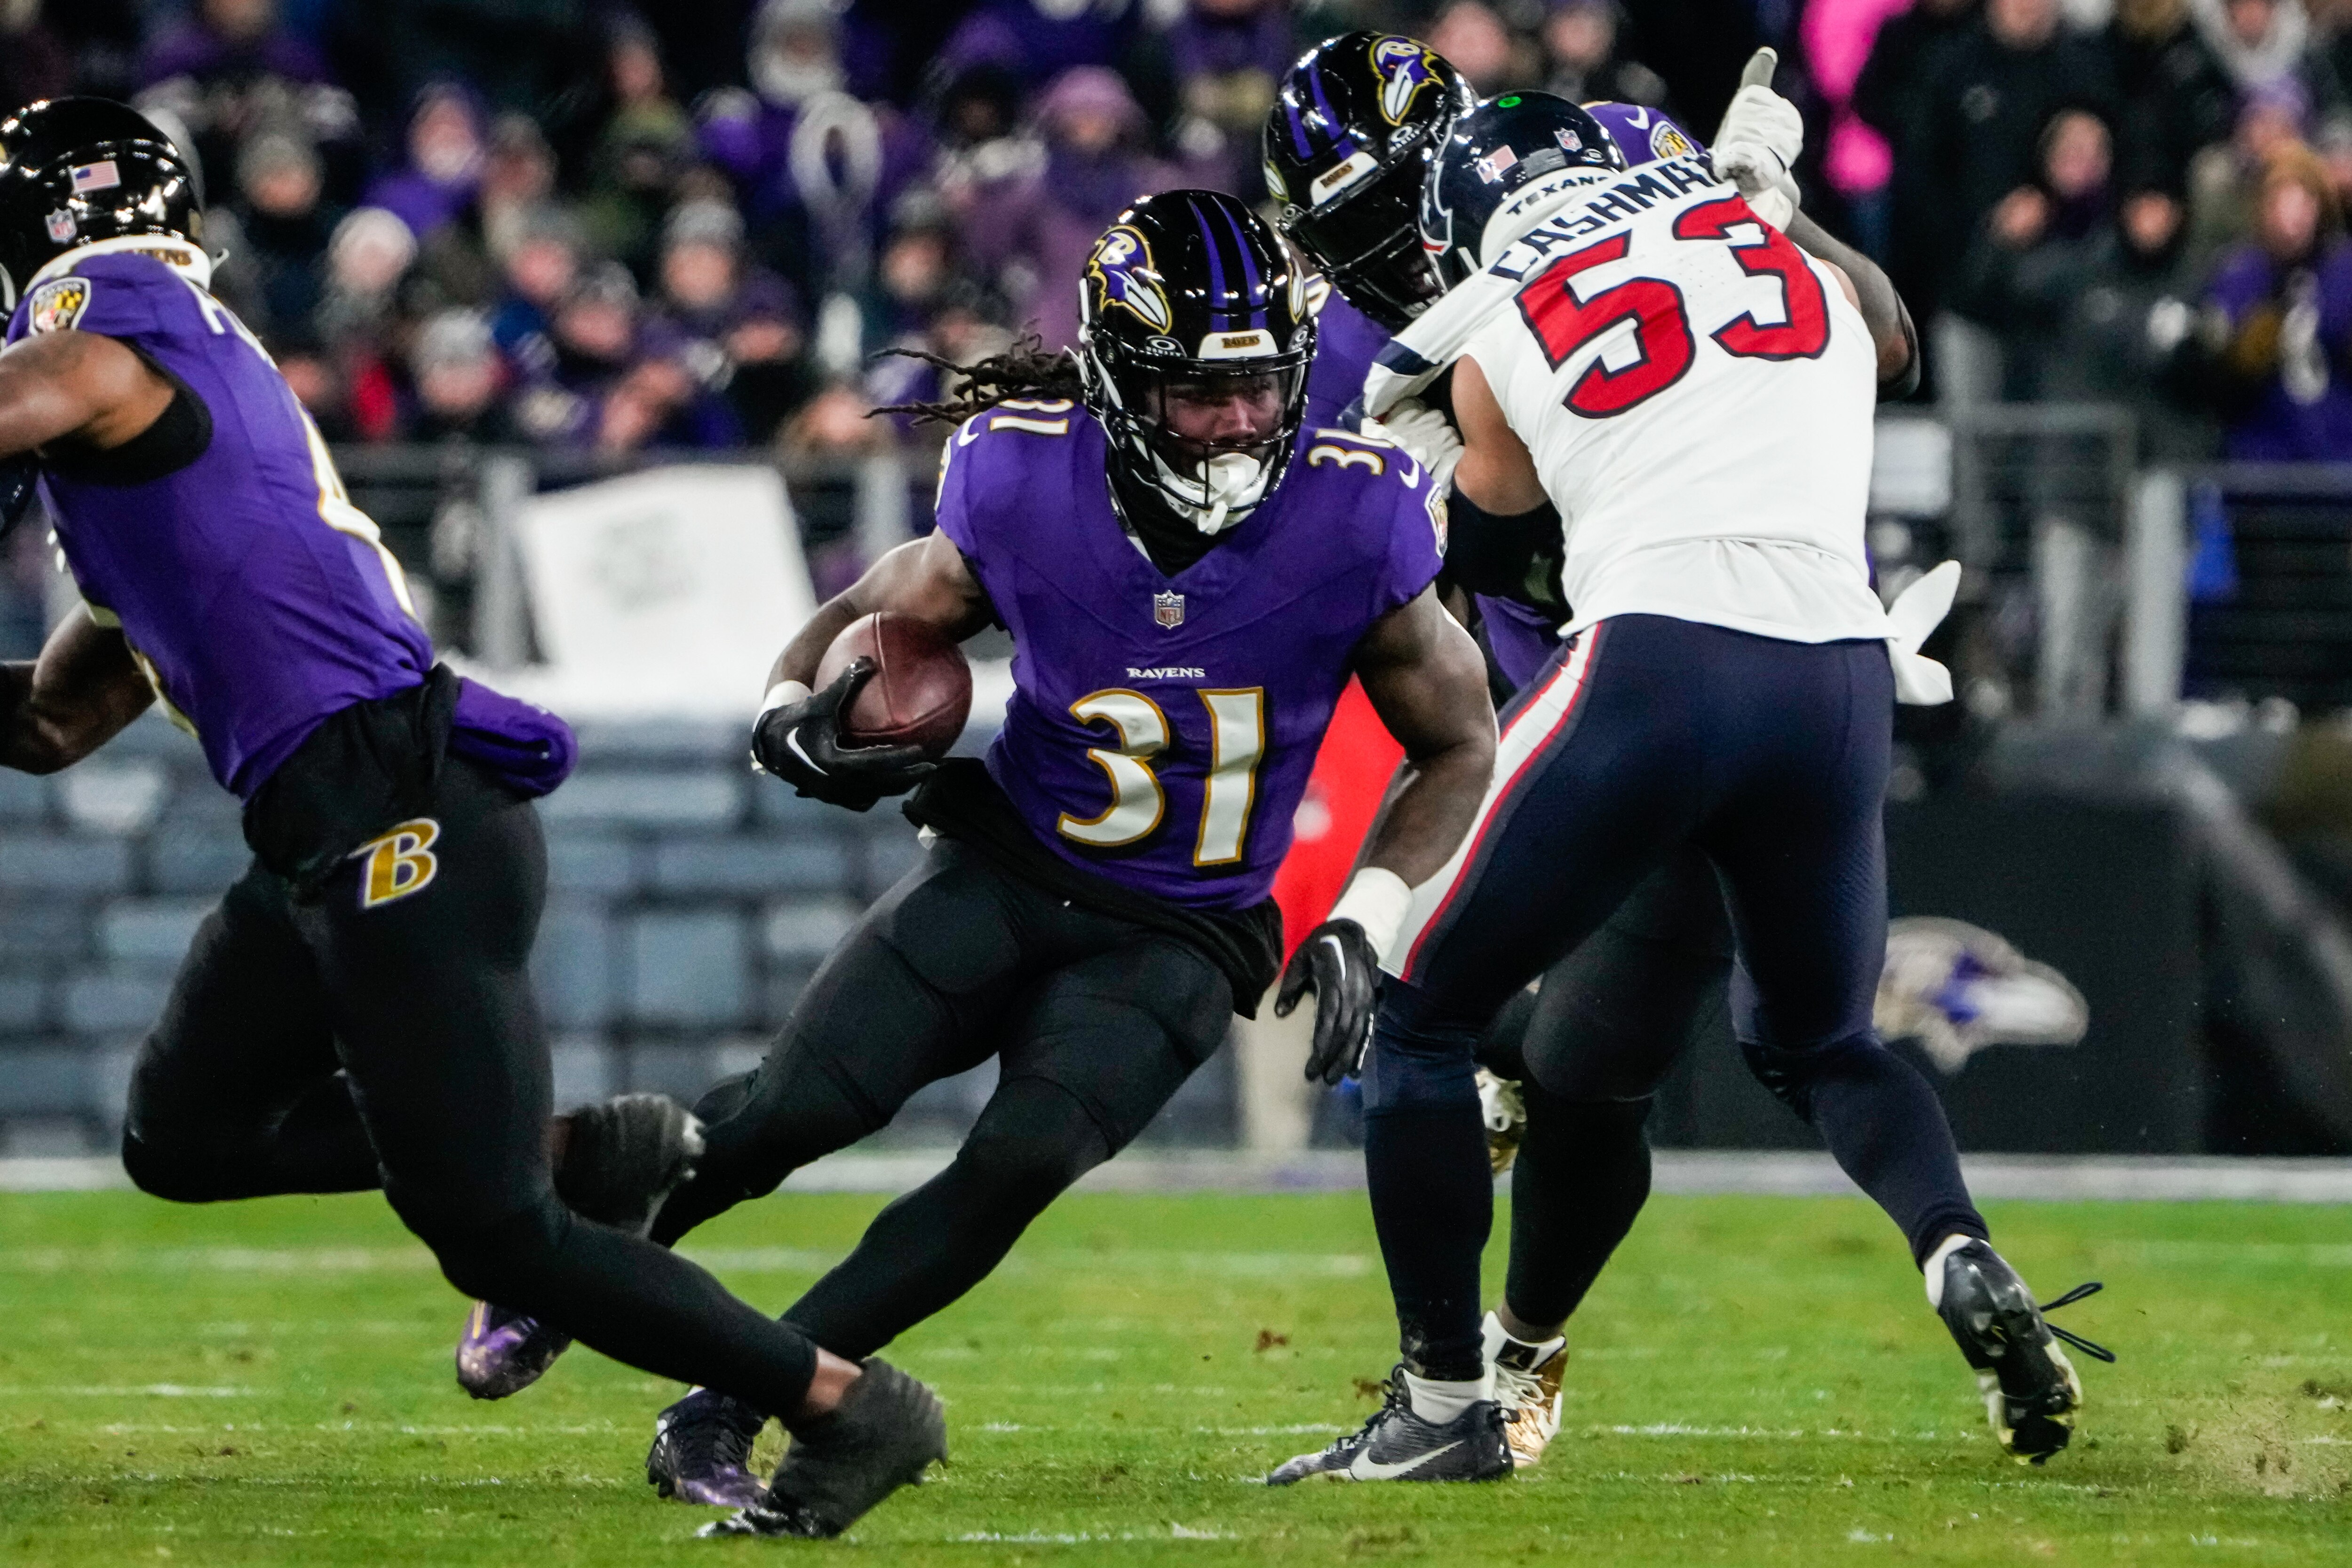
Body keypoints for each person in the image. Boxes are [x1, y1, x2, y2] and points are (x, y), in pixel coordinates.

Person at [448, 187, 1499, 1527]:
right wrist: (792, 715)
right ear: (1122, 378)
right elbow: (865, 613)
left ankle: (731, 1397)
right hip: (1008, 865)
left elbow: (1458, 741)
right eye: (1199, 390)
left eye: (1260, 385)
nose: (1239, 422)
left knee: (1010, 1170)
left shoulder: (1356, 514)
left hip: (1183, 928)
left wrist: (1368, 910)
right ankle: (555, 1273)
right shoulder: (1019, 477)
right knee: (791, 1112)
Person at [0, 97, 942, 1540]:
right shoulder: (145, 455)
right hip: (326, 834)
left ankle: (840, 1401)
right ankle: (584, 1153)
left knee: (493, 1231)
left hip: (405, 808)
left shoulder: (108, 307)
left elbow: (40, 380)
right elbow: (56, 722)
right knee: (180, 1140)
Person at [1269, 91, 2106, 1487]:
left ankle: (1439, 1407)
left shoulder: (1487, 317)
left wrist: (1415, 448)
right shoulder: (1774, 250)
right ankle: (1956, 1247)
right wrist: (1768, 205)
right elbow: (1888, 332)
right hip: (1840, 670)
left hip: (1651, 665)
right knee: (1821, 1042)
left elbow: (1500, 524)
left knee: (1416, 1018)